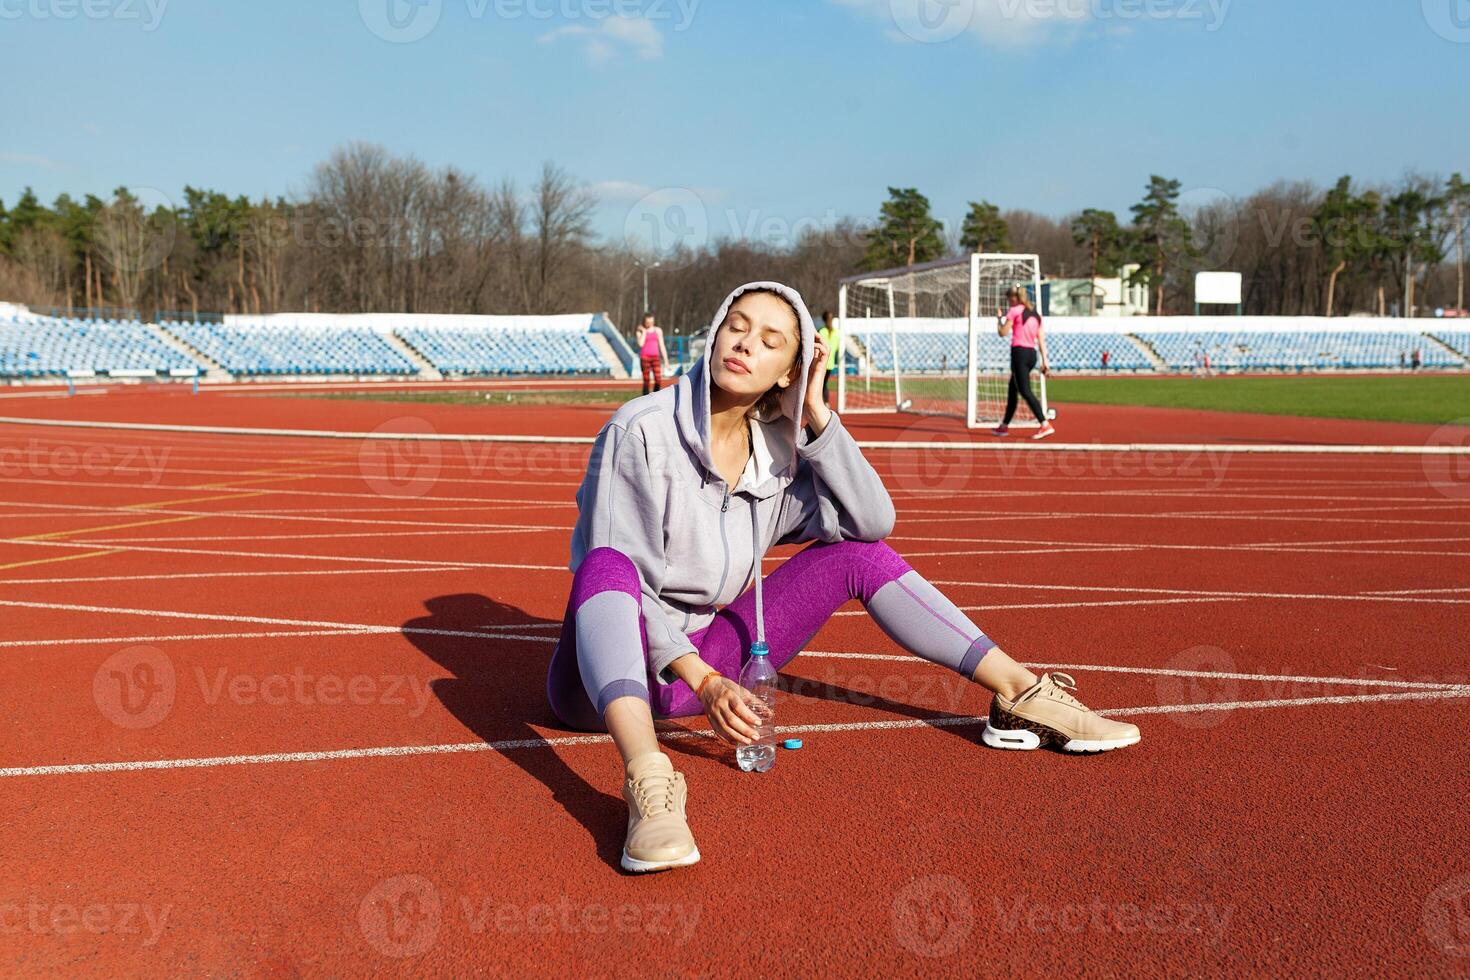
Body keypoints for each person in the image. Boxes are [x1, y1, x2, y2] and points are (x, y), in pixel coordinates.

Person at [546, 281, 1139, 874]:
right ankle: (651, 786)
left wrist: (817, 416)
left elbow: (872, 521)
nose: (746, 344)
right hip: (602, 685)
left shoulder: (775, 456)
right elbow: (616, 583)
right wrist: (706, 682)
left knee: (857, 555)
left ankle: (1018, 692)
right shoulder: (641, 430)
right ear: (716, 332)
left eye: (771, 341)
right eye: (738, 325)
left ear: (790, 372)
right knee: (606, 563)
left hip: (703, 663)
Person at [991, 288, 1054, 439]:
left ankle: (1044, 424)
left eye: (1009, 298)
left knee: (1025, 391)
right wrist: (1045, 362)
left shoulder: (1014, 311)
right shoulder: (1036, 315)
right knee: (1013, 389)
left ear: (1015, 298)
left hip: (1019, 353)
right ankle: (1004, 426)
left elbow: (1003, 332)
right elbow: (1041, 340)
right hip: (1031, 354)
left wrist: (999, 319)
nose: (1008, 301)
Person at [635, 313, 669, 396]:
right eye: (648, 322)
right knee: (646, 380)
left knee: (658, 378)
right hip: (645, 357)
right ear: (644, 322)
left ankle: (655, 396)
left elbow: (662, 345)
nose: (650, 324)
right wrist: (644, 332)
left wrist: (666, 360)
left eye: (651, 322)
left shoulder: (658, 330)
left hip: (655, 357)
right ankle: (645, 398)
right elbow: (641, 344)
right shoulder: (639, 331)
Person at [815, 309, 840, 405]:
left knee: (820, 384)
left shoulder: (821, 331)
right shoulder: (837, 333)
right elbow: (837, 348)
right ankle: (825, 402)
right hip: (830, 363)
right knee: (824, 383)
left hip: (821, 362)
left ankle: (822, 403)